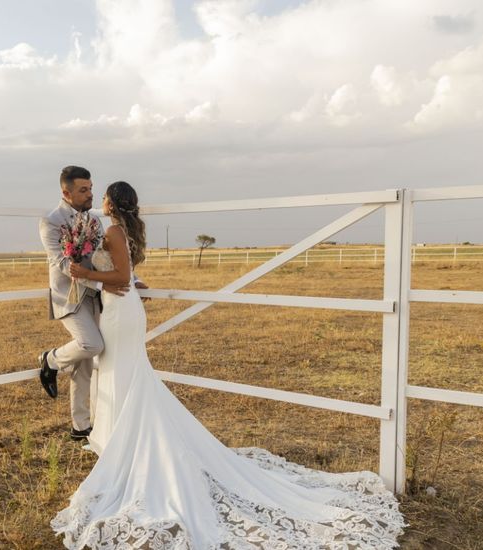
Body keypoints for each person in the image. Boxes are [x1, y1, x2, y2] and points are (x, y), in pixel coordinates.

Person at [51, 181, 405, 549]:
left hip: (120, 313)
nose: (101, 199)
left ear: (111, 202)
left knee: (123, 374)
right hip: (119, 310)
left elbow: (121, 277)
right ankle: (115, 441)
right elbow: (126, 274)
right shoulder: (122, 229)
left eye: (104, 194)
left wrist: (85, 273)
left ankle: (123, 446)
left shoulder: (112, 230)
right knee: (121, 374)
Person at [37, 166, 148, 440]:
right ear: (66, 192)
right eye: (83, 190)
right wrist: (100, 283)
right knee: (91, 345)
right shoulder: (51, 222)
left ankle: (80, 426)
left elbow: (110, 258)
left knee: (85, 362)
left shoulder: (95, 222)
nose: (90, 195)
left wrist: (132, 280)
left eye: (91, 189)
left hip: (99, 297)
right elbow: (63, 264)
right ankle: (50, 360)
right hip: (70, 296)